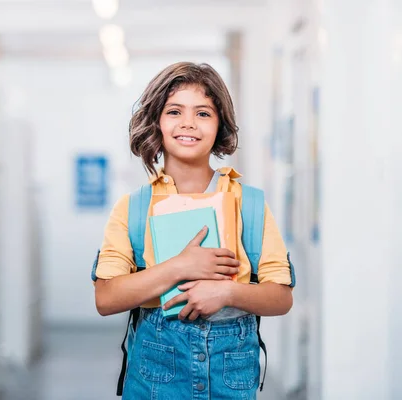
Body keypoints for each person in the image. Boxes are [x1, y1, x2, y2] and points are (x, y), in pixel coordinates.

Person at [93, 61, 295, 399]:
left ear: (220, 126)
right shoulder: (133, 209)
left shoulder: (251, 205)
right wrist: (181, 267)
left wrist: (227, 293)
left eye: (203, 113)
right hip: (155, 380)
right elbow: (106, 298)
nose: (188, 123)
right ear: (156, 122)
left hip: (230, 381)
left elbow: (281, 297)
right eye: (174, 111)